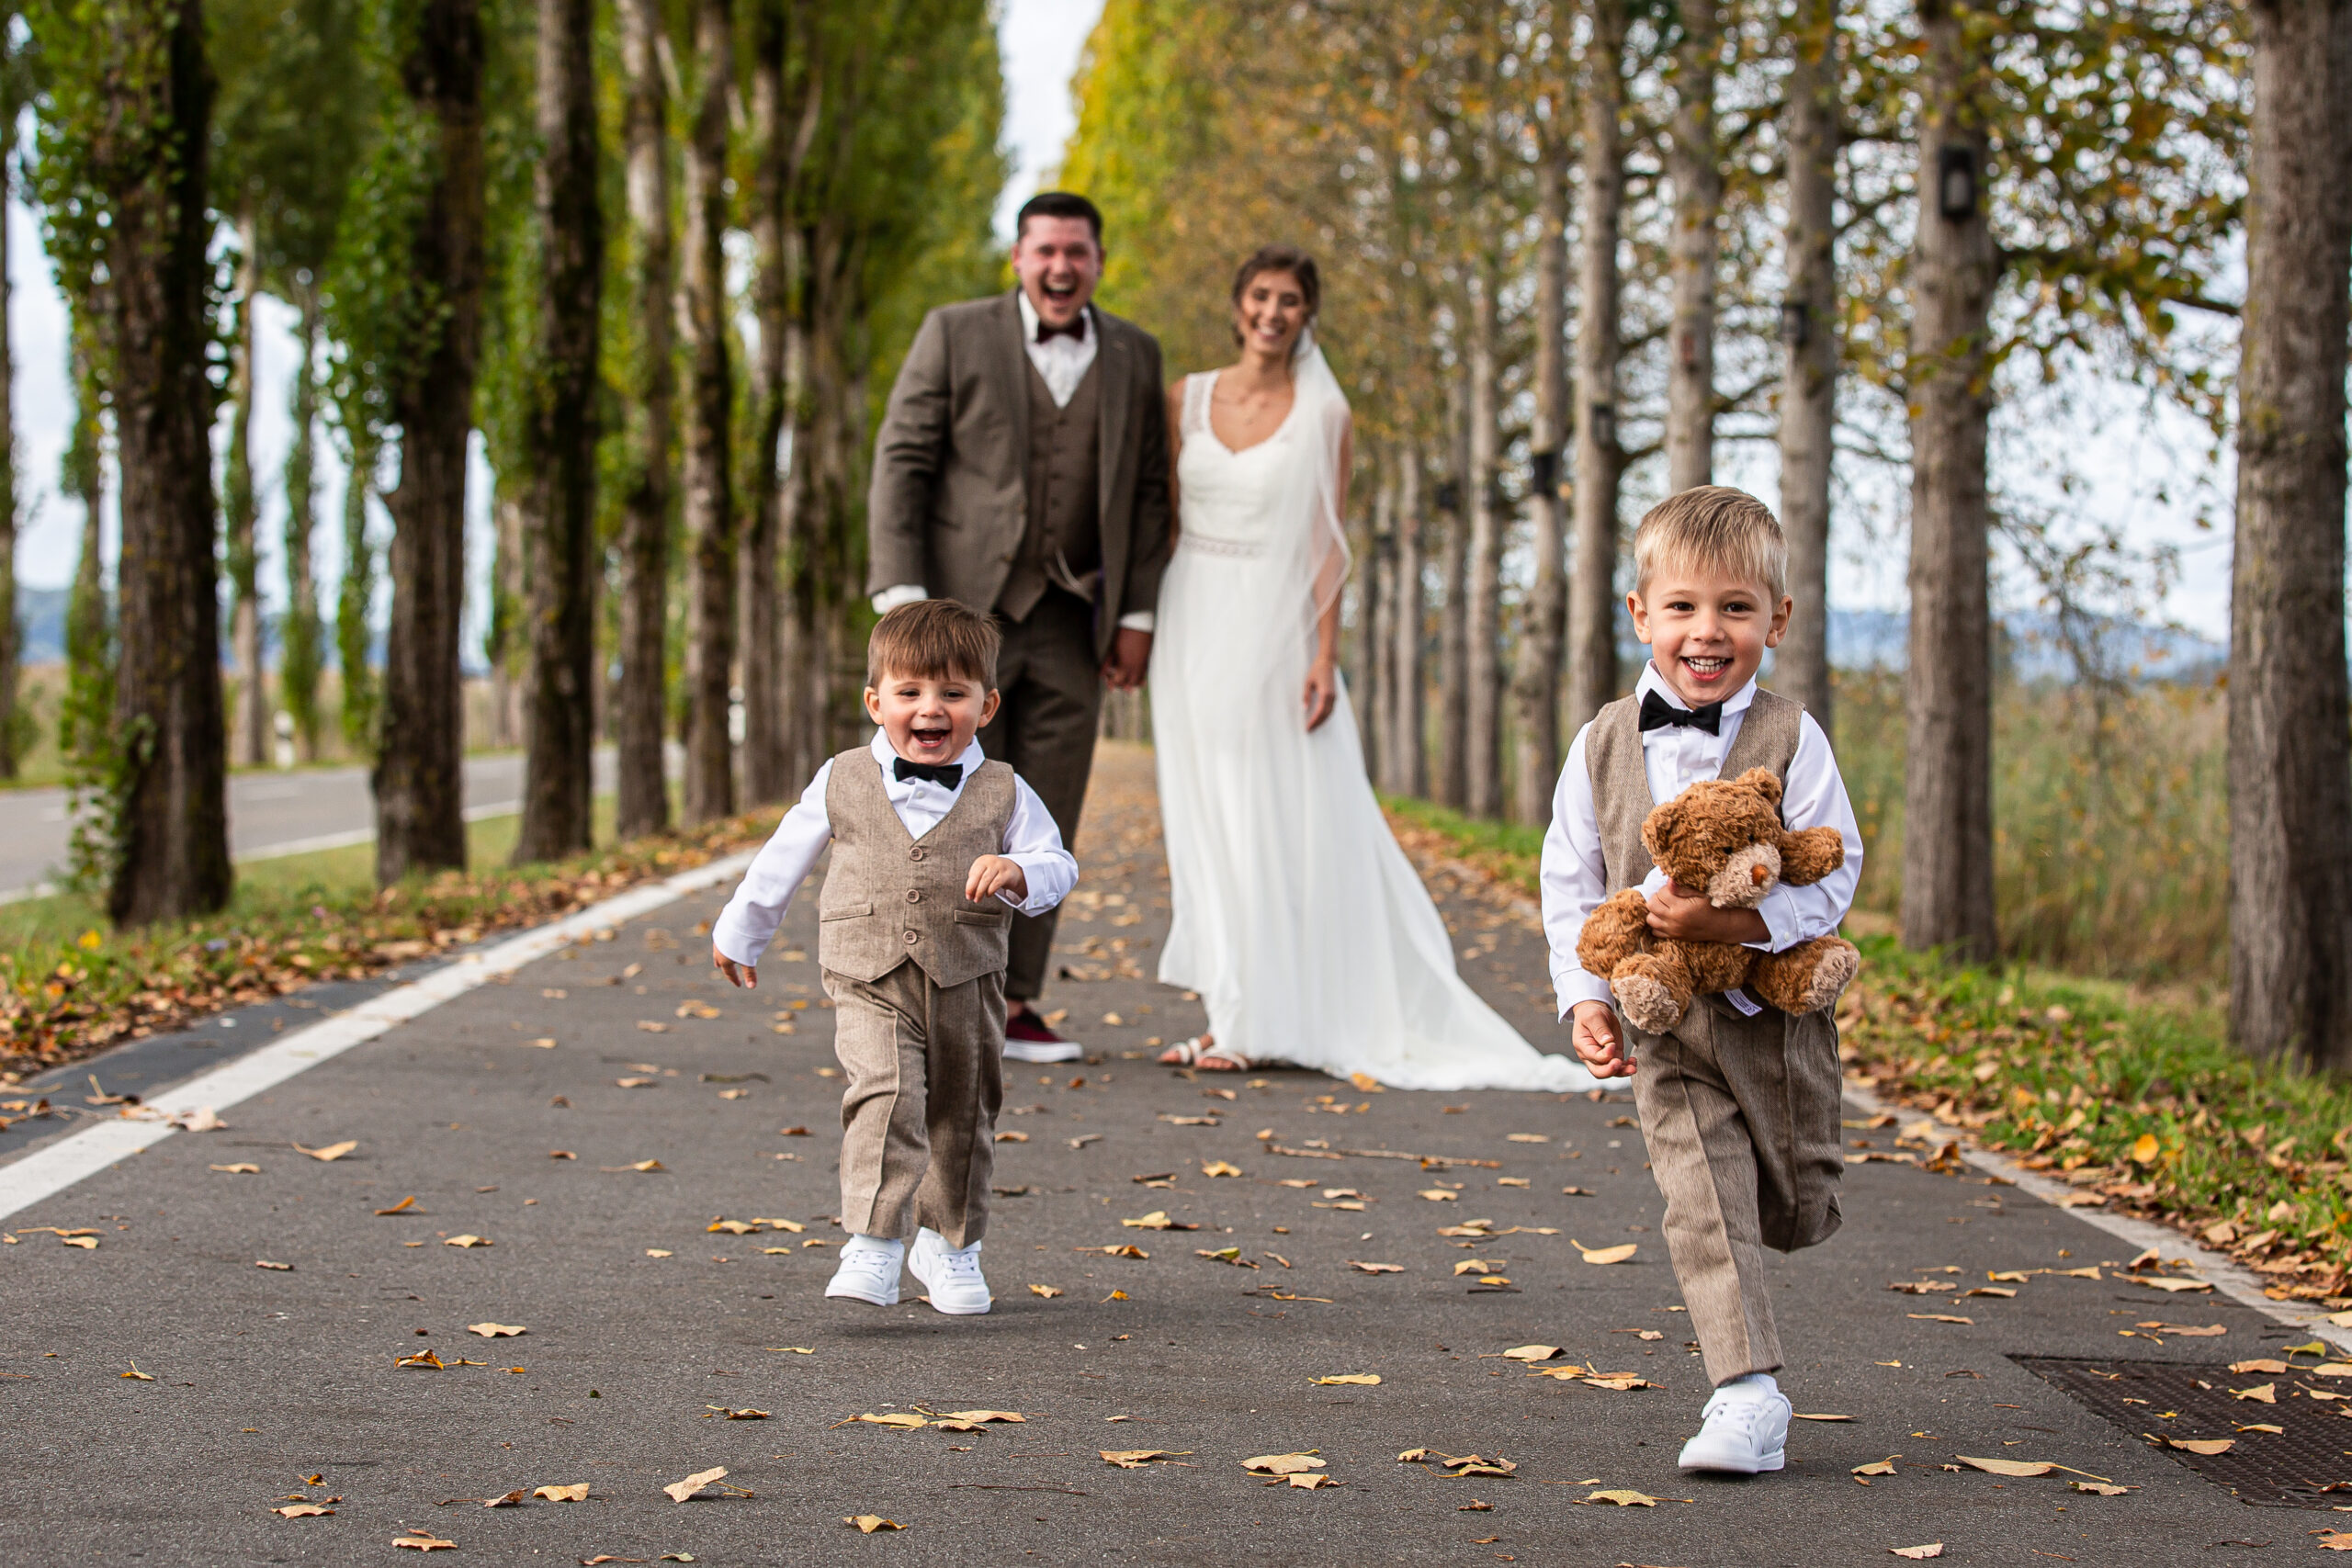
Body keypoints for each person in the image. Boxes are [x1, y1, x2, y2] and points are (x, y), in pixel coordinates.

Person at [1148, 245, 1594, 1093]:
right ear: (1237, 305)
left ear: (1306, 315)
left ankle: (1262, 1019)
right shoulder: (1186, 398)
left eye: (1290, 300)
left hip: (1274, 626)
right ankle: (1230, 1005)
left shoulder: (1326, 414)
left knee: (1267, 813)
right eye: (1260, 296)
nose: (1273, 312)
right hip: (1191, 613)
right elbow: (1166, 521)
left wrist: (1324, 656)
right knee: (1205, 810)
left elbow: (1328, 546)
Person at [1539, 486, 1864, 1475]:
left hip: (1775, 1027)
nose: (1706, 631)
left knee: (1794, 1205)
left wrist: (1741, 922)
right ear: (1640, 615)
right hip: (1667, 1026)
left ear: (1776, 619)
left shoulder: (1793, 737)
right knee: (1700, 1197)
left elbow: (1835, 866)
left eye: (1733, 607)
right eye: (1681, 607)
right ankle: (1745, 1396)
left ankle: (1797, 1197)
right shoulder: (1599, 743)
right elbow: (1570, 884)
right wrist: (1583, 998)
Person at [866, 191, 1171, 1065]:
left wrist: (1138, 613)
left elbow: (1150, 491)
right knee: (930, 808)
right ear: (1018, 256)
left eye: (1077, 252)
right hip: (955, 630)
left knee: (1047, 816)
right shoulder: (954, 332)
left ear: (1099, 261)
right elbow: (904, 459)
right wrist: (903, 604)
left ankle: (1018, 1001)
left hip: (1076, 620)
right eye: (1045, 251)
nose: (1061, 268)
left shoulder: (1135, 355)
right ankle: (914, 994)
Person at [708, 600, 1078, 1317]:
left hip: (967, 978)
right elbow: (783, 856)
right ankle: (873, 1242)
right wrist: (741, 930)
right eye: (910, 692)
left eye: (952, 693)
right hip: (866, 972)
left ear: (987, 703)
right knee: (887, 1092)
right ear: (876, 702)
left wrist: (1020, 871)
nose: (930, 709)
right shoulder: (842, 777)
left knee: (962, 1112)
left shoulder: (1006, 788)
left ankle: (949, 1244)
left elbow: (1058, 862)